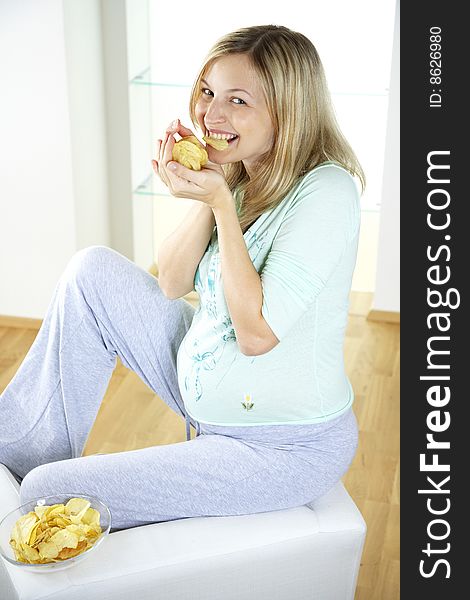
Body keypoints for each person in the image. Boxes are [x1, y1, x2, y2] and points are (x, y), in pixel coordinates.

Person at [0, 25, 365, 530]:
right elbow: (171, 280)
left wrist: (219, 202)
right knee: (92, 272)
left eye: (237, 100)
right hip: (209, 387)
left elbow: (257, 335)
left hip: (278, 444)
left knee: (48, 493)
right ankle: (13, 449)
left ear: (289, 110)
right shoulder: (244, 171)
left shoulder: (327, 191)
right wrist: (212, 189)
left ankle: (27, 481)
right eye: (208, 92)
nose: (211, 115)